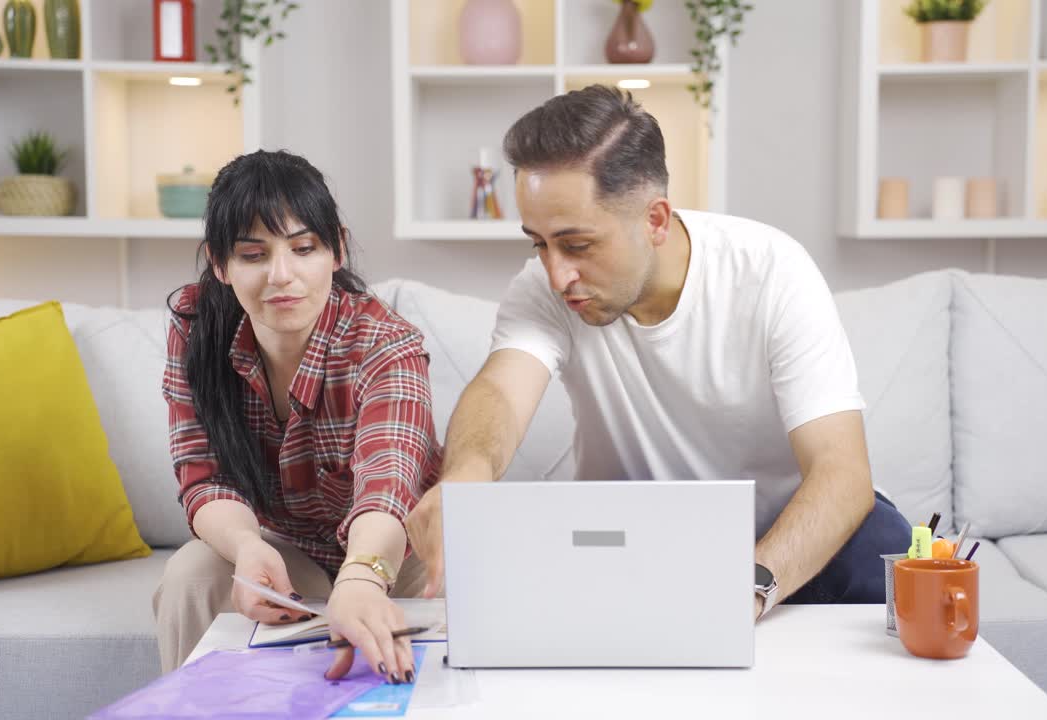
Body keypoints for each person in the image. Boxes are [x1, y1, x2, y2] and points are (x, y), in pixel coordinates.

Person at [404, 86, 911, 621]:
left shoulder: (771, 270)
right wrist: (462, 479)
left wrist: (747, 586)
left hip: (785, 535)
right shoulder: (543, 288)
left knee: (884, 541)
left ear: (656, 220)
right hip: (636, 534)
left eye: (577, 245)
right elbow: (500, 393)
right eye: (538, 243)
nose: (557, 274)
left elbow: (842, 473)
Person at [153, 150, 441, 683]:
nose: (281, 276)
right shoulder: (195, 328)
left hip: (399, 554)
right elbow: (202, 474)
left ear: (337, 250)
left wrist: (362, 576)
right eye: (253, 255)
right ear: (220, 265)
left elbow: (388, 483)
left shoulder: (385, 344)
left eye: (303, 248)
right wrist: (246, 547)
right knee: (191, 573)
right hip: (292, 554)